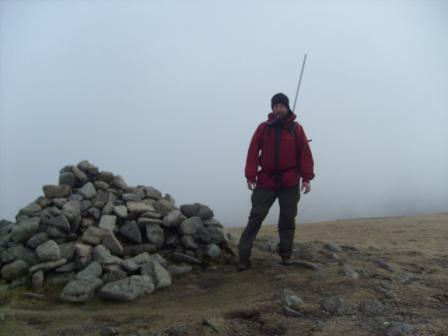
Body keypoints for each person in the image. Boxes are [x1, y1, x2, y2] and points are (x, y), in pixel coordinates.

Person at [237, 92, 315, 271]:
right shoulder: (264, 128)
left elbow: (305, 153)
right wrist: (250, 176)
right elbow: (253, 151)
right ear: (272, 108)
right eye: (275, 106)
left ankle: (286, 255)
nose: (278, 109)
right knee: (256, 217)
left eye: (282, 105)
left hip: (289, 181)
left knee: (287, 219)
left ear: (287, 108)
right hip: (266, 180)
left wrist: (306, 178)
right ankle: (243, 256)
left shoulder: (296, 129)